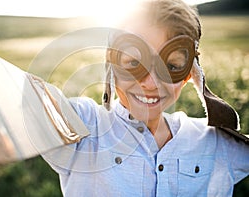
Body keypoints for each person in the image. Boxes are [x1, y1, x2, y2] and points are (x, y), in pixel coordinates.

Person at [39, 0, 249, 196]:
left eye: (172, 67)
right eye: (133, 64)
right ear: (112, 64)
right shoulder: (85, 128)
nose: (151, 83)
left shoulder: (215, 144)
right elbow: (24, 106)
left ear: (189, 74)